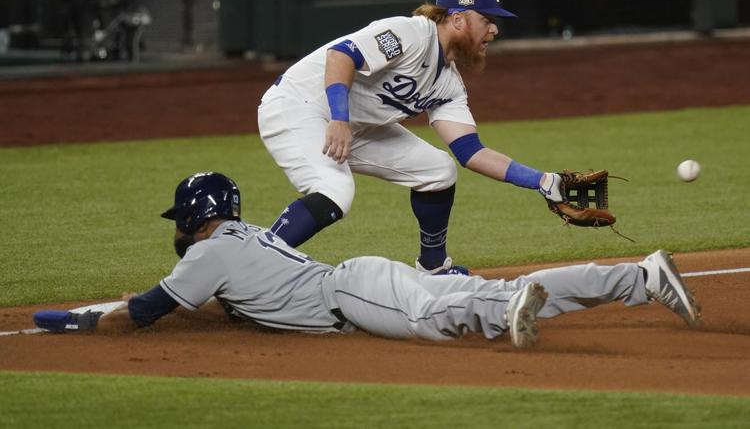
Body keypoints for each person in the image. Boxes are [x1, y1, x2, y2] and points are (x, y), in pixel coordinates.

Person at [33, 172, 701, 348]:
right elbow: (219, 309)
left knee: (444, 320)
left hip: (353, 297)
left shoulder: (207, 256)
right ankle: (639, 277)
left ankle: (503, 305)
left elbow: (145, 314)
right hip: (360, 281)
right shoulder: (246, 240)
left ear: (189, 220)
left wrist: (80, 322)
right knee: (489, 297)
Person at [257, 0, 568, 275]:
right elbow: (341, 56)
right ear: (458, 19)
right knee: (336, 190)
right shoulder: (411, 33)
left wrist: (542, 181)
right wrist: (339, 118)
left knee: (438, 170)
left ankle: (433, 267)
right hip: (298, 106)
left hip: (351, 124)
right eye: (487, 20)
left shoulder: (449, 85)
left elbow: (470, 151)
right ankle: (252, 268)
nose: (494, 30)